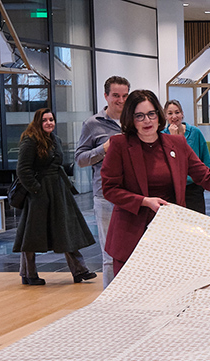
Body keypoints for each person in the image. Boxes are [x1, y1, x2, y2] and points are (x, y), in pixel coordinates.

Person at [101, 90, 210, 277]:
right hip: (132, 233)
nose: (147, 121)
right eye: (139, 116)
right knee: (134, 291)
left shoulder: (176, 143)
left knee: (169, 287)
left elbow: (206, 176)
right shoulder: (119, 144)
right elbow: (110, 189)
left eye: (151, 114)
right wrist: (144, 201)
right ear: (131, 118)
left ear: (158, 115)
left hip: (169, 233)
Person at [14, 109, 97, 285]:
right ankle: (28, 274)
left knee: (66, 229)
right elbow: (23, 169)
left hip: (58, 190)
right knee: (32, 235)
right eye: (44, 120)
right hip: (39, 194)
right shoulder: (30, 140)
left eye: (51, 119)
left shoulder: (55, 139)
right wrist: (36, 190)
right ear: (38, 122)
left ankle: (80, 270)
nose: (49, 123)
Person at [75, 75, 129, 287]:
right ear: (106, 96)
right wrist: (103, 149)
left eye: (125, 96)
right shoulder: (92, 124)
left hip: (134, 195)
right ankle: (110, 300)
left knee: (135, 251)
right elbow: (80, 159)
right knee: (110, 254)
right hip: (106, 196)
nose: (121, 100)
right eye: (116, 95)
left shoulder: (135, 120)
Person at [162, 99, 210, 214]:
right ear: (165, 116)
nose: (174, 116)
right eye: (170, 113)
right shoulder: (162, 136)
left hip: (193, 188)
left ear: (182, 114)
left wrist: (205, 183)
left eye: (177, 112)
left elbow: (205, 158)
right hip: (172, 189)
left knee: (197, 221)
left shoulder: (195, 133)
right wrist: (174, 138)